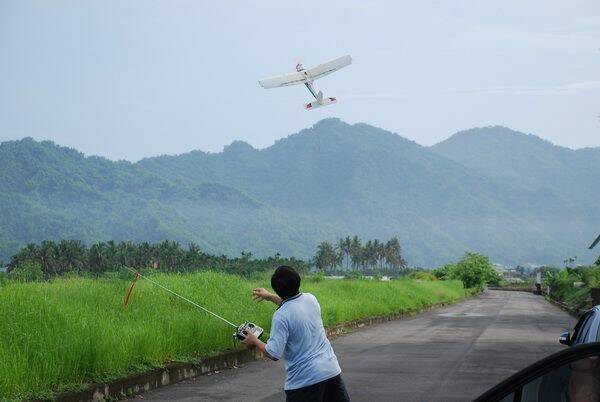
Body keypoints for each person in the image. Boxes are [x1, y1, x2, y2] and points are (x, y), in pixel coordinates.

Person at [242, 265, 351, 402]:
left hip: (305, 382)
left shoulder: (281, 316)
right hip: (331, 372)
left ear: (277, 289)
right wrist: (269, 296)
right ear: (297, 280)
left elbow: (274, 353)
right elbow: (292, 304)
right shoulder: (311, 299)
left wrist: (254, 340)